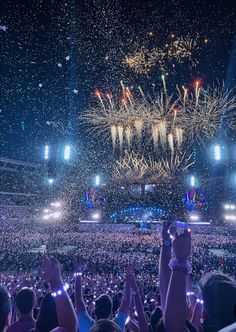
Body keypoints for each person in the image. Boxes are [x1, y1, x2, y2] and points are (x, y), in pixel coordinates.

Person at [75, 257, 131, 332]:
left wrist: (78, 273)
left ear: (94, 310)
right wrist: (128, 279)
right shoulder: (117, 326)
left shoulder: (87, 325)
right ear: (110, 311)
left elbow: (78, 299)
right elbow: (126, 302)